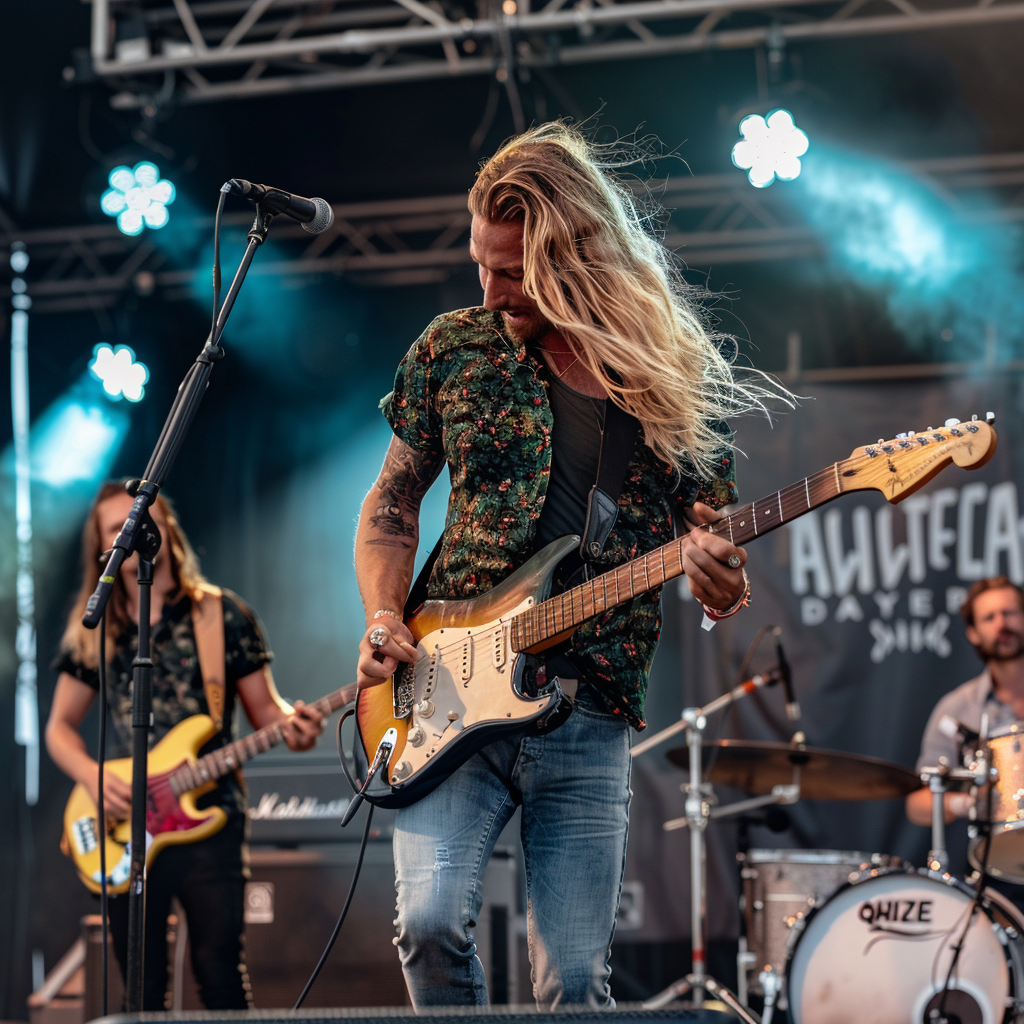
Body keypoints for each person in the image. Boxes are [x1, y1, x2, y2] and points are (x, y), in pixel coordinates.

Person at [354, 123, 779, 1009]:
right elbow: (391, 507)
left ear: (577, 257)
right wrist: (386, 618)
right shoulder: (453, 349)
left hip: (589, 710)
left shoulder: (667, 375)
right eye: (483, 263)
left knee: (576, 982)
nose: (491, 288)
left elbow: (719, 554)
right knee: (429, 925)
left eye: (513, 272)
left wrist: (720, 580)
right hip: (446, 686)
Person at [45, 482, 324, 1010]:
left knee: (220, 976)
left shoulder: (222, 616)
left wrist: (298, 726)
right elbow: (58, 728)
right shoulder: (95, 627)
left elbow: (271, 714)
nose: (130, 532)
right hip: (126, 826)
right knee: (141, 990)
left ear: (164, 528)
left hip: (211, 819)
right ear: (101, 549)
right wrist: (93, 775)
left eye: (140, 519)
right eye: (114, 528)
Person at [907, 576, 1024, 831]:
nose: (1002, 624)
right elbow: (917, 803)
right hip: (995, 859)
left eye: (1010, 613)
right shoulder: (956, 709)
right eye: (989, 617)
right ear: (973, 633)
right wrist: (965, 803)